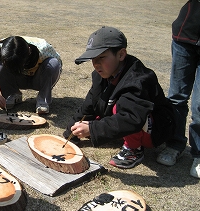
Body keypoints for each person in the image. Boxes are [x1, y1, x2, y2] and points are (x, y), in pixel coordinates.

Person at [63, 26, 175, 169]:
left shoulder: (138, 80)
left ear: (121, 54)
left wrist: (93, 129)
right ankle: (120, 136)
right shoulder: (101, 75)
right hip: (126, 118)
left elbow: (131, 118)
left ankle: (134, 150)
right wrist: (70, 132)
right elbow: (89, 105)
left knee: (118, 108)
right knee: (94, 119)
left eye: (102, 57)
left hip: (153, 129)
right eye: (93, 59)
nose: (96, 64)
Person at [156, 1, 200, 179]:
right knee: (176, 97)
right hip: (185, 37)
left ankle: (198, 154)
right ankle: (175, 144)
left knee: (199, 106)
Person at [0, 36, 62, 114]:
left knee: (52, 63)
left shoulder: (43, 48)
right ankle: (12, 94)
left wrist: (46, 86)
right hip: (18, 79)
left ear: (29, 52)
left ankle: (43, 99)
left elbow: (58, 66)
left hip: (38, 79)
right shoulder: (1, 49)